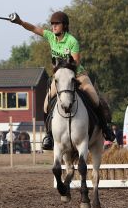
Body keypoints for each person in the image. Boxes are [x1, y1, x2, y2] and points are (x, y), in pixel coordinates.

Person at [9, 11, 115, 150]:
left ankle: (105, 129)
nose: (53, 26)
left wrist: (67, 72)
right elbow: (34, 28)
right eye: (52, 24)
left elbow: (75, 62)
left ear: (64, 25)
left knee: (94, 98)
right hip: (60, 77)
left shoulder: (72, 41)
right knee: (46, 104)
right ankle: (48, 135)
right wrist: (20, 22)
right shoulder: (50, 37)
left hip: (78, 75)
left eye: (56, 24)